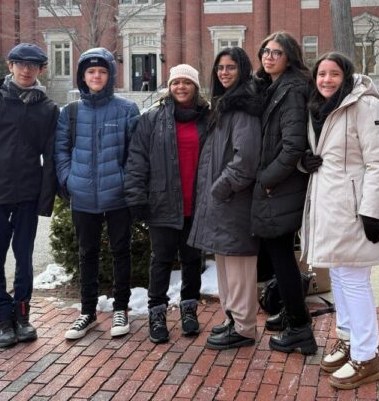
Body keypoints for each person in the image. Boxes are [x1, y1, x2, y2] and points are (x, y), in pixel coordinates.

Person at [300, 52, 379, 390]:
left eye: (333, 74)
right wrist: (305, 162)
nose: (326, 80)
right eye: (321, 74)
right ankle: (349, 338)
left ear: (346, 75)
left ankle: (367, 357)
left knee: (354, 281)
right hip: (329, 206)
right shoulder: (321, 107)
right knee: (339, 276)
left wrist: (370, 211)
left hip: (353, 210)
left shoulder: (365, 105)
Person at [0, 42, 59, 349]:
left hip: (27, 195)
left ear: (41, 69)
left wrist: (45, 199)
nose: (26, 70)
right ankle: (1, 319)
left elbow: (51, 158)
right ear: (10, 66)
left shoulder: (47, 109)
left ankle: (21, 315)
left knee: (24, 258)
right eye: (20, 64)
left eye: (33, 65)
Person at [54, 47, 140, 341]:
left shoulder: (127, 110)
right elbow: (61, 150)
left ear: (110, 75)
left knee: (120, 251)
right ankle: (87, 312)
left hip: (117, 196)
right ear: (82, 76)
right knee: (87, 253)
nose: (96, 76)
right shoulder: (71, 112)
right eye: (91, 71)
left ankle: (121, 308)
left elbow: (135, 153)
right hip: (83, 196)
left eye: (102, 71)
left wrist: (125, 181)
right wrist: (68, 179)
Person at [125, 64, 210, 344]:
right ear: (169, 87)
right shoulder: (151, 119)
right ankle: (157, 313)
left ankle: (189, 310)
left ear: (195, 87)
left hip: (196, 204)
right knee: (160, 260)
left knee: (192, 260)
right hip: (162, 202)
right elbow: (137, 159)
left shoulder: (207, 119)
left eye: (187, 82)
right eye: (176, 83)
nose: (181, 87)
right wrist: (136, 196)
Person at [188, 47, 262, 350]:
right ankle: (232, 318)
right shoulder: (225, 105)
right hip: (221, 201)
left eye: (231, 67)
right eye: (220, 67)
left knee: (240, 267)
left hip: (234, 200)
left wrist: (221, 187)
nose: (224, 72)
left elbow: (245, 159)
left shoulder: (243, 108)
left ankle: (244, 327)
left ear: (242, 70)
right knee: (224, 263)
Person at [252, 32, 317, 356]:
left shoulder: (291, 90)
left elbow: (292, 146)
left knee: (282, 258)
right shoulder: (274, 87)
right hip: (278, 186)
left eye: (277, 52)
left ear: (289, 57)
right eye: (266, 51)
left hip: (281, 186)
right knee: (281, 258)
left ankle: (301, 329)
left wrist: (266, 179)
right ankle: (292, 315)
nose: (269, 57)